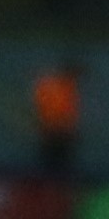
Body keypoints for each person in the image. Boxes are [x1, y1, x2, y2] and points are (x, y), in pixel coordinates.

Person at [26, 57, 82, 186]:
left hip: (61, 134)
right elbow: (51, 111)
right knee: (52, 165)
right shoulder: (55, 87)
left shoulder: (68, 88)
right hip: (54, 133)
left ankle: (57, 185)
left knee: (60, 166)